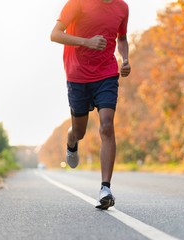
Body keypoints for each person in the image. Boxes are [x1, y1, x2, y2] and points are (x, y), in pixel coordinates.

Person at [51, 0, 131, 210]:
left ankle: (105, 189)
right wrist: (87, 42)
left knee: (106, 126)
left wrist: (125, 59)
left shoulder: (122, 7)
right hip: (77, 75)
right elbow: (55, 34)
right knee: (79, 132)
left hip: (106, 74)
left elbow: (121, 38)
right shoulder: (77, 3)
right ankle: (71, 140)